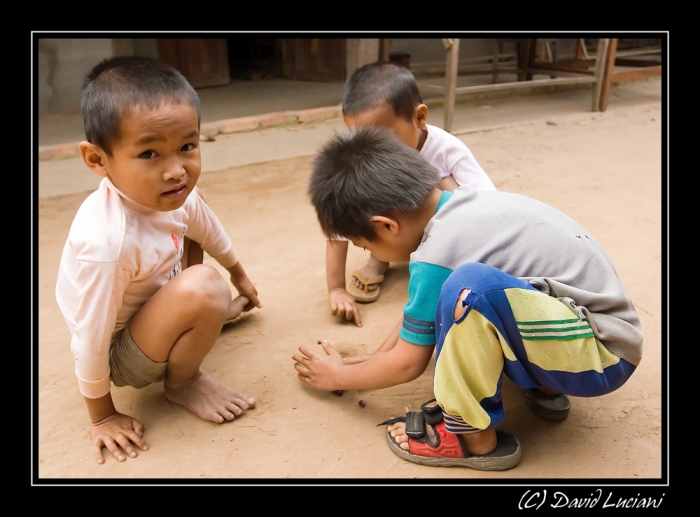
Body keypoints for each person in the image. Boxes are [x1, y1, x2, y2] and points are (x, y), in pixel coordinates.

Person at [294, 126, 643, 470]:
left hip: (600, 356)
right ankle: (545, 387)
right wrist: (370, 359)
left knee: (469, 292)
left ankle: (471, 437)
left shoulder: (438, 253)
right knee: (466, 295)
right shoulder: (462, 206)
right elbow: (419, 317)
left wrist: (336, 377)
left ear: (387, 225)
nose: (369, 251)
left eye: (365, 245)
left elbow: (408, 363)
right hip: (592, 336)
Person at [55, 55, 262, 465]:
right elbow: (91, 336)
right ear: (98, 160)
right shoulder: (107, 245)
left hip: (149, 303)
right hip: (121, 353)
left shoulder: (174, 193)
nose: (176, 170)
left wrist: (240, 275)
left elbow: (206, 226)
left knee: (195, 245)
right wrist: (102, 415)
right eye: (149, 154)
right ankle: (183, 382)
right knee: (204, 285)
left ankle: (201, 318)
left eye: (187, 146)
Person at [326, 61, 496, 328]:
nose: (372, 151)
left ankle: (438, 265)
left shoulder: (447, 150)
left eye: (383, 138)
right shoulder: (366, 160)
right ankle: (379, 257)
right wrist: (335, 288)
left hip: (447, 231)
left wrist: (444, 186)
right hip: (394, 235)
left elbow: (488, 205)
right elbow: (338, 226)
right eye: (360, 139)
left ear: (419, 117)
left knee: (444, 182)